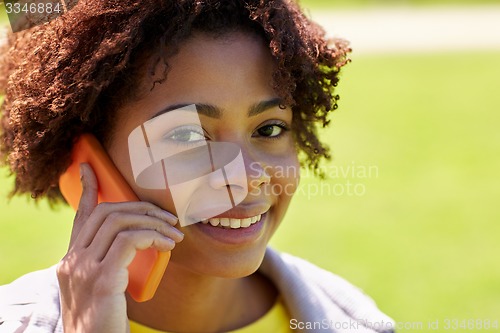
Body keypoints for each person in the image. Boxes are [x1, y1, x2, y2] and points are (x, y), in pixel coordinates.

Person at [0, 1, 395, 332]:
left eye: (269, 128)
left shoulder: (354, 320)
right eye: (187, 136)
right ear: (88, 160)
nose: (243, 176)